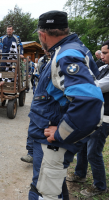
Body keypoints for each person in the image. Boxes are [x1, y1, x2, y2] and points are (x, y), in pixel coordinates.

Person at [28, 11, 103, 200]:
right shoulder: (72, 49)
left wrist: (61, 133)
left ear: (43, 35)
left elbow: (89, 102)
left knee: (44, 194)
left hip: (52, 145)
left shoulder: (66, 55)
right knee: (56, 189)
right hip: (52, 145)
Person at [66, 40, 109, 197]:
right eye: (101, 53)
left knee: (93, 152)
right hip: (93, 115)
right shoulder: (104, 67)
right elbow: (92, 76)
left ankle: (99, 185)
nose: (101, 56)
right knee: (83, 146)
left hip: (104, 119)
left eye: (105, 53)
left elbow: (94, 85)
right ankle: (80, 174)